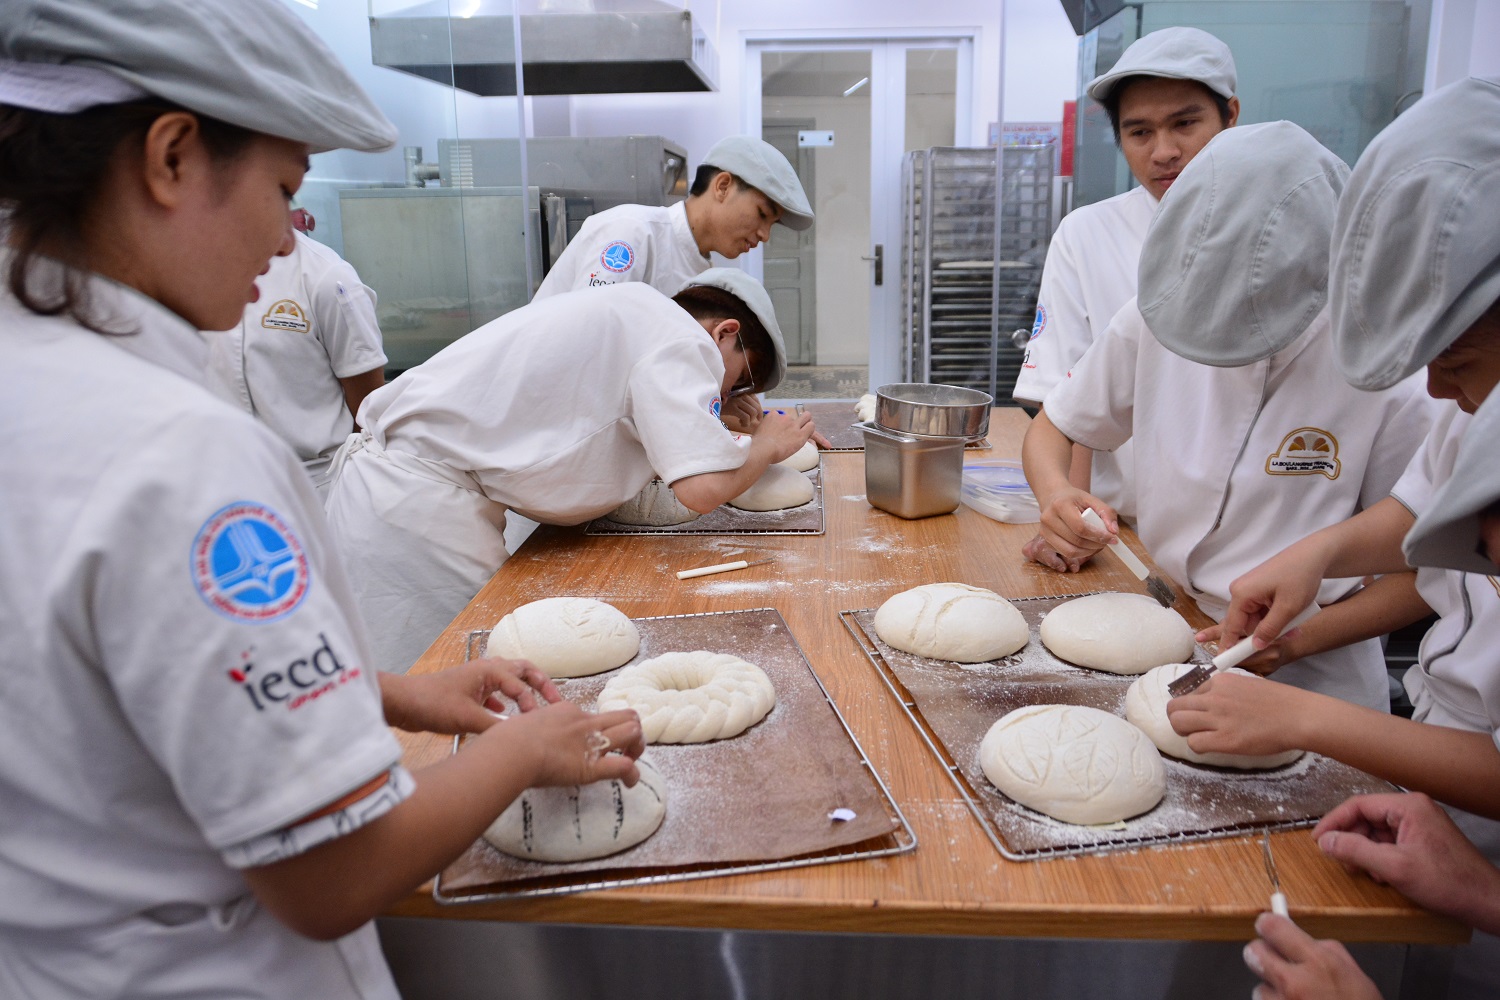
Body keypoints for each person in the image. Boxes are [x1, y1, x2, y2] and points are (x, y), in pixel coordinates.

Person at [0, 3, 642, 997]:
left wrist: (382, 690)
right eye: (282, 190)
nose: (286, 235)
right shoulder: (180, 455)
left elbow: (105, 685)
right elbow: (331, 871)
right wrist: (523, 750)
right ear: (172, 157)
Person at [1149, 77, 1500, 999]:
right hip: (1441, 787)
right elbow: (1425, 518)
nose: (1433, 393)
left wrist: (1307, 715)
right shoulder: (1481, 399)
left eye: (1453, 364)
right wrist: (1321, 554)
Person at [1020, 121, 1439, 711]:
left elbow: (1430, 567)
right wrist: (1057, 492)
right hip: (1169, 617)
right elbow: (1057, 427)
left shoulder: (1391, 366)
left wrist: (1293, 643)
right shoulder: (1156, 316)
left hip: (1317, 670)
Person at [323, 269, 816, 674]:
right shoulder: (683, 341)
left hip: (410, 497)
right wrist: (769, 446)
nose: (730, 394)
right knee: (444, 690)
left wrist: (713, 418)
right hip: (412, 516)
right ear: (724, 332)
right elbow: (703, 489)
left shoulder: (642, 315)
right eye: (742, 379)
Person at [1013, 26, 1240, 572]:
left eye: (1186, 123)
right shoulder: (1089, 234)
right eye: (1139, 132)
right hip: (1136, 539)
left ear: (1230, 116)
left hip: (1281, 554)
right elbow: (1067, 406)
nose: (1165, 151)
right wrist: (1067, 514)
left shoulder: (1292, 243)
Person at [533, 135, 815, 435]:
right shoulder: (633, 233)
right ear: (722, 186)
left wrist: (718, 398)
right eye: (762, 215)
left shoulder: (702, 275)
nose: (764, 236)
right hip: (544, 424)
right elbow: (589, 353)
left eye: (771, 225)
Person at [205, 229, 387, 499]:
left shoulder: (327, 276)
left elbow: (369, 413)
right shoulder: (189, 270)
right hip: (222, 482)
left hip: (320, 489)